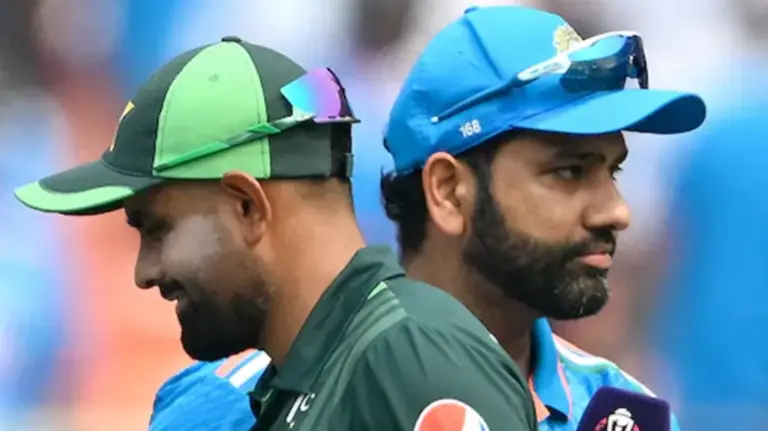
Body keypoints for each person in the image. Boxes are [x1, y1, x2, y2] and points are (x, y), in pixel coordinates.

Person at [15, 37, 537, 430]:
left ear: (247, 206)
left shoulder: (412, 361)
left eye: (157, 229)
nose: (144, 272)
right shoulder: (301, 381)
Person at [379, 6, 706, 430]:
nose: (618, 212)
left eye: (613, 171)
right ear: (449, 191)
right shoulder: (318, 400)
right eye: (569, 171)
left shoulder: (626, 415)